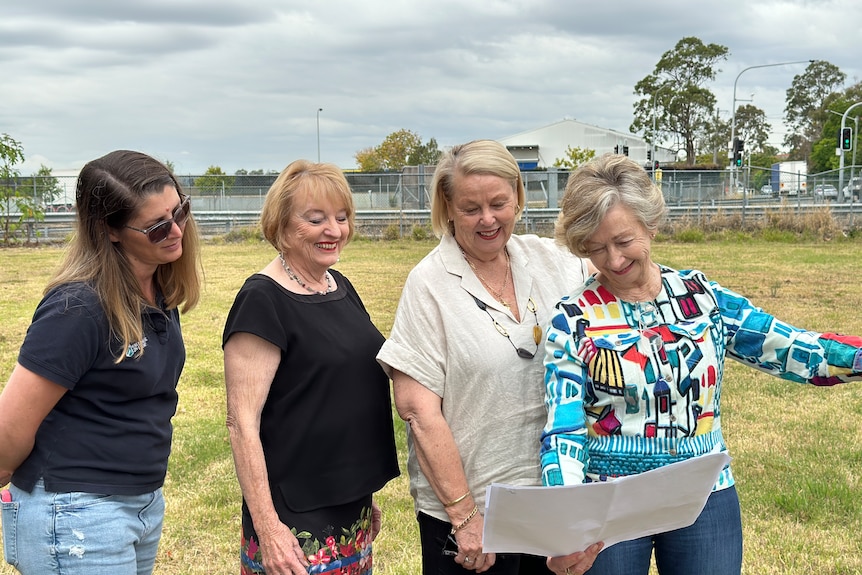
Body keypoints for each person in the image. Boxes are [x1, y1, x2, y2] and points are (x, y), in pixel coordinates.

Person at [541, 153, 862, 575]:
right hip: (609, 505)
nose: (614, 261)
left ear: (650, 224)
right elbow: (561, 428)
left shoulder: (702, 297)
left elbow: (792, 349)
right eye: (596, 249)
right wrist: (565, 525)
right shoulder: (573, 318)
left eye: (623, 242)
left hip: (705, 496)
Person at [377, 139, 603, 575]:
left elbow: (622, 288)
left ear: (518, 196)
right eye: (470, 208)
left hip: (553, 503)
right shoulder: (428, 284)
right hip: (474, 519)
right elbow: (417, 410)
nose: (488, 219)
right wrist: (464, 517)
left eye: (499, 203)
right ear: (447, 207)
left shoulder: (553, 259)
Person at [0, 150, 202, 575]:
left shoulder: (157, 290)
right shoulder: (78, 307)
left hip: (138, 502)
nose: (176, 230)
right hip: (76, 511)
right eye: (156, 226)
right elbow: (9, 428)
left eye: (179, 210)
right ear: (109, 230)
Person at [222, 160, 400, 575]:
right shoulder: (262, 300)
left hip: (348, 507)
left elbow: (335, 394)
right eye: (316, 219)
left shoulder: (338, 286)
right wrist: (269, 529)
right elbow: (241, 423)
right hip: (293, 518)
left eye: (342, 217)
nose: (334, 230)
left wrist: (362, 492)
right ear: (283, 227)